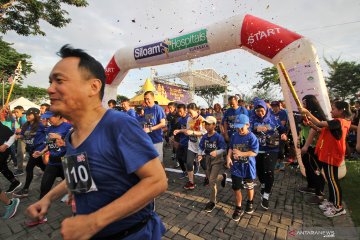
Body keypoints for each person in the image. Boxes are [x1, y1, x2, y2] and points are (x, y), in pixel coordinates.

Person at [26, 45, 167, 239]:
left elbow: (157, 181)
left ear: (93, 86)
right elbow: (79, 179)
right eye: (50, 81)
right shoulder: (71, 136)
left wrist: (94, 222)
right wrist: (48, 199)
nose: (50, 89)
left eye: (59, 80)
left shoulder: (119, 123)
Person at [300, 101, 352, 217]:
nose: (330, 111)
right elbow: (321, 129)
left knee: (333, 181)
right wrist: (312, 126)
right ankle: (332, 202)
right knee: (330, 180)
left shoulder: (338, 122)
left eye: (333, 109)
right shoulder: (335, 123)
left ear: (341, 110)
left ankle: (338, 207)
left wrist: (307, 112)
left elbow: (319, 122)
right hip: (328, 155)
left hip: (331, 155)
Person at [251, 99, 287, 210]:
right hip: (258, 150)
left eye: (262, 110)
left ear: (266, 109)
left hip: (272, 149)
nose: (260, 113)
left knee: (269, 171)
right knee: (260, 171)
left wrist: (283, 134)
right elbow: (249, 128)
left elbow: (282, 129)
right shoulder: (252, 119)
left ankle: (266, 195)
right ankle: (263, 184)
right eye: (257, 111)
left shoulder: (274, 119)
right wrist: (257, 128)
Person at [32, 111, 72, 199]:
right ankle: (41, 205)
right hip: (53, 161)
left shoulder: (69, 127)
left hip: (66, 162)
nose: (48, 120)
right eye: (46, 118)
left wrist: (60, 138)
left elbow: (75, 144)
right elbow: (50, 144)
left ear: (58, 116)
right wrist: (41, 152)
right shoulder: (49, 129)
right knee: (44, 186)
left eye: (50, 117)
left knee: (72, 185)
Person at [226, 114, 259, 221]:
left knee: (249, 186)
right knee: (236, 188)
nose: (239, 129)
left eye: (242, 126)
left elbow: (254, 152)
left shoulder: (252, 137)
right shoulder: (234, 135)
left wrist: (241, 153)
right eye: (237, 126)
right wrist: (228, 157)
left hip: (248, 168)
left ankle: (250, 202)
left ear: (248, 125)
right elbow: (231, 147)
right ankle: (238, 207)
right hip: (236, 167)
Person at [297, 95, 327, 205]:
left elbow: (314, 130)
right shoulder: (306, 114)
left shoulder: (316, 115)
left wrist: (306, 146)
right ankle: (311, 186)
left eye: (304, 103)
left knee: (316, 168)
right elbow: (303, 128)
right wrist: (299, 139)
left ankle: (319, 193)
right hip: (305, 143)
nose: (303, 105)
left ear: (310, 103)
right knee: (307, 166)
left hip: (314, 146)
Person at [13, 108, 47, 198]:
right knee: (43, 167)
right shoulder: (26, 125)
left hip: (38, 150)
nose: (27, 116)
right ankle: (59, 174)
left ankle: (25, 190)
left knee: (29, 168)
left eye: (30, 114)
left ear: (36, 115)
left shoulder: (41, 125)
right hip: (31, 150)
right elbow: (23, 135)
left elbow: (49, 133)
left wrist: (44, 146)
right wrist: (18, 136)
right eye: (26, 114)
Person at [174, 103, 207, 189]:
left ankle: (207, 177)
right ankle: (191, 182)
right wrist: (179, 131)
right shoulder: (189, 118)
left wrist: (193, 132)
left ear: (196, 111)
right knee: (189, 163)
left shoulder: (202, 120)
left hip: (200, 146)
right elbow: (188, 129)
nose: (189, 114)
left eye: (190, 112)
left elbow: (204, 133)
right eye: (188, 112)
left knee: (204, 165)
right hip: (191, 145)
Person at [198, 116, 227, 213]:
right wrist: (199, 155)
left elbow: (223, 148)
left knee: (211, 181)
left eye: (209, 124)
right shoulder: (205, 136)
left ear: (214, 125)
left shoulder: (218, 137)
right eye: (205, 123)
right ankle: (222, 177)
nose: (206, 126)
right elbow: (201, 147)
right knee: (211, 178)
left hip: (217, 160)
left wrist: (217, 152)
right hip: (207, 159)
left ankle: (212, 201)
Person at [143, 91, 166, 166]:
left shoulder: (158, 109)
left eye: (148, 99)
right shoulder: (146, 109)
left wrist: (150, 129)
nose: (146, 101)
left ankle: (164, 177)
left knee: (159, 162)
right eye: (145, 99)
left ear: (153, 98)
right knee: (150, 161)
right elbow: (149, 121)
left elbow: (163, 123)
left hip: (157, 140)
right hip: (148, 139)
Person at [0, 122, 22, 193]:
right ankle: (15, 182)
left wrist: (6, 145)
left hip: (3, 152)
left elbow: (13, 136)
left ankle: (15, 182)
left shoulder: (3, 127)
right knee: (3, 168)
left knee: (2, 167)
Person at [13, 105, 27, 176]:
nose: (15, 113)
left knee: (20, 153)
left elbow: (27, 129)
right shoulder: (22, 118)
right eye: (15, 112)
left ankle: (20, 170)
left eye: (17, 112)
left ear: (22, 111)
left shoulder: (23, 118)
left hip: (23, 138)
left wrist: (20, 130)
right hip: (23, 137)